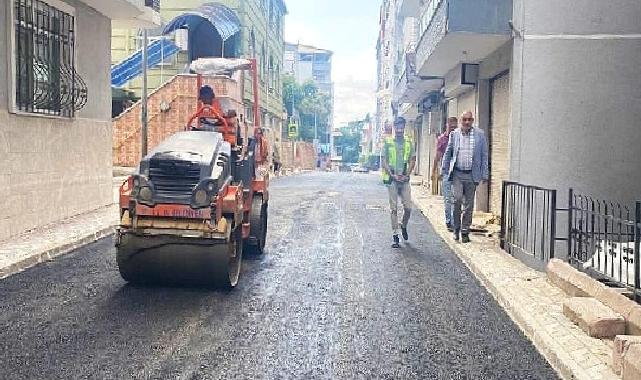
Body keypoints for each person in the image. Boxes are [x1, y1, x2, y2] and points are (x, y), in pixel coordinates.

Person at [441, 111, 489, 243]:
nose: (467, 122)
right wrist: (444, 168)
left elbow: (484, 156)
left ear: (473, 120)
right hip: (457, 173)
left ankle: (465, 231)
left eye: (470, 120)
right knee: (456, 200)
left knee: (469, 205)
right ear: (461, 120)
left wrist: (484, 174)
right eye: (464, 120)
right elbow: (448, 152)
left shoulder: (480, 135)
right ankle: (456, 229)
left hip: (471, 174)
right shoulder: (454, 134)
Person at [382, 117, 416, 248]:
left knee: (408, 207)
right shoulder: (388, 142)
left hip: (404, 179)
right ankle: (395, 235)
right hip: (392, 180)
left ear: (404, 127)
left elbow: (413, 159)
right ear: (394, 128)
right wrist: (392, 175)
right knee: (394, 208)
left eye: (402, 127)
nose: (400, 130)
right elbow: (384, 160)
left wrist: (407, 175)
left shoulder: (409, 142)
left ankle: (404, 226)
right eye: (398, 127)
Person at [433, 117, 458, 232]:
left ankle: (455, 220)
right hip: (447, 172)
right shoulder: (442, 139)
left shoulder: (459, 138)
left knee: (456, 198)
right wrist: (434, 171)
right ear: (446, 125)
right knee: (448, 198)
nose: (453, 128)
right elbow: (437, 156)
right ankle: (450, 222)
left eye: (455, 127)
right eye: (451, 126)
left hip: (458, 173)